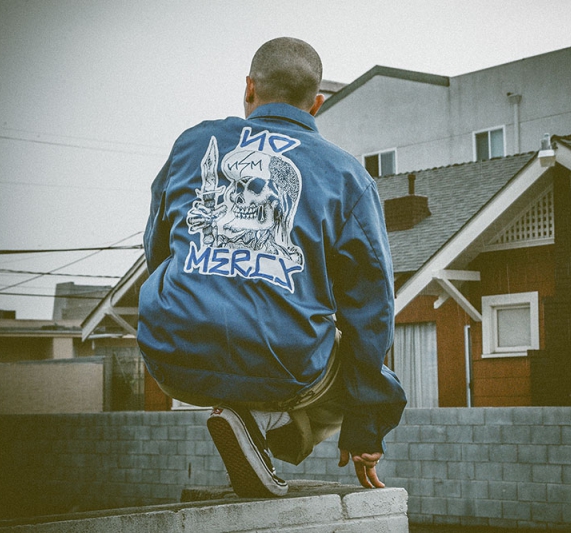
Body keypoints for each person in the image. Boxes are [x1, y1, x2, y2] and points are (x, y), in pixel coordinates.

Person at [137, 37, 407, 497]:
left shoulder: (192, 142)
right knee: (364, 370)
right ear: (317, 103)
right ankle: (263, 420)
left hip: (171, 354)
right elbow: (372, 309)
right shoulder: (347, 175)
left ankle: (253, 429)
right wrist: (366, 424)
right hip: (281, 367)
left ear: (249, 88)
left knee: (259, 347)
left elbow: (156, 249)